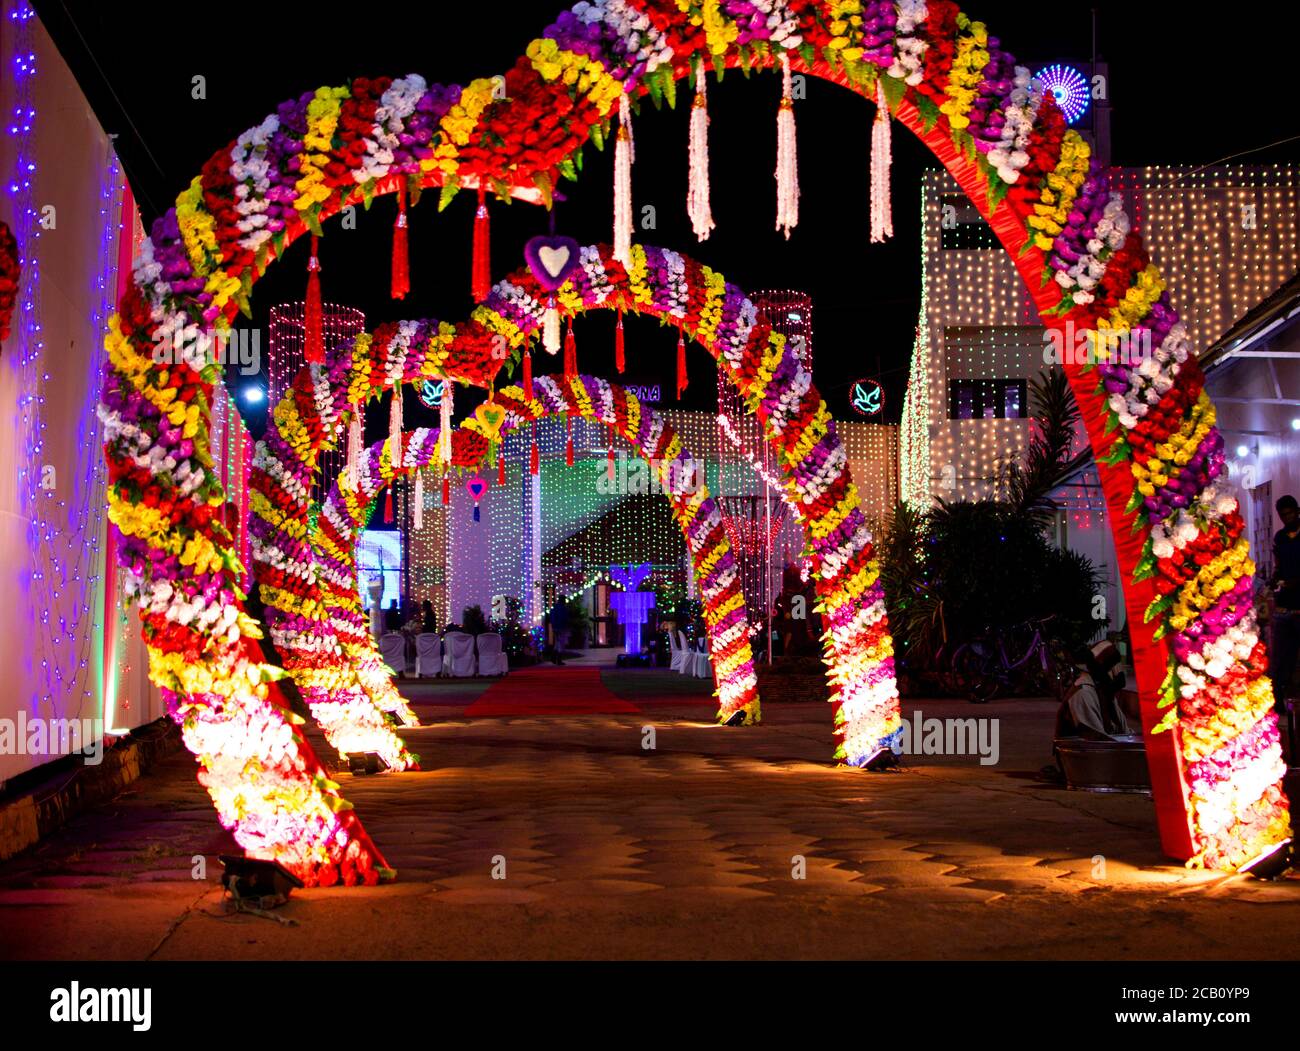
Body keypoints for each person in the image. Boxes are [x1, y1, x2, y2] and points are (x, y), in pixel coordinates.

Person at [1272, 496, 1300, 720]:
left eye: (1290, 513)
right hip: (1285, 607)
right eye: (1283, 515)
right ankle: (1279, 698)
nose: (1287, 518)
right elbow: (1279, 566)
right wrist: (1275, 580)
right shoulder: (1280, 538)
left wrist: (1295, 582)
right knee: (1283, 657)